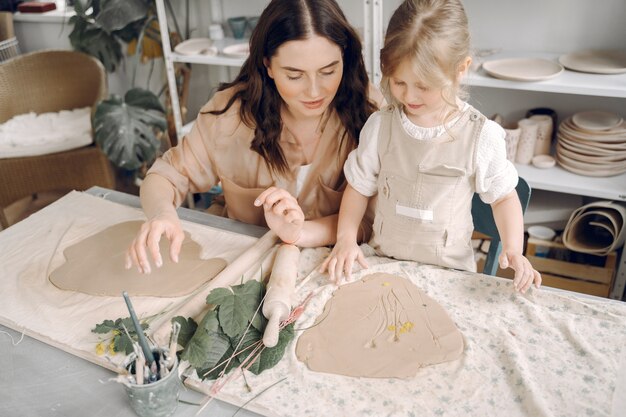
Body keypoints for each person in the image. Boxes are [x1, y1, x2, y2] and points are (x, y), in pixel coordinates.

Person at [126, 0, 381, 274]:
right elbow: (165, 175)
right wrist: (162, 214)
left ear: (345, 57)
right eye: (294, 75)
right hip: (242, 261)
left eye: (328, 71)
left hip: (334, 262)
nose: (314, 91)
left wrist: (299, 232)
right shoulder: (230, 116)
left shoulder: (371, 112)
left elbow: (375, 217)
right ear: (268, 65)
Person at [320, 0, 541, 293]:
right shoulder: (380, 126)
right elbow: (359, 188)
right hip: (384, 264)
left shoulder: (480, 136)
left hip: (449, 276)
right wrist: (346, 239)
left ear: (461, 69)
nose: (409, 96)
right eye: (399, 82)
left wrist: (514, 249)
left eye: (423, 86)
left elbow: (502, 198)